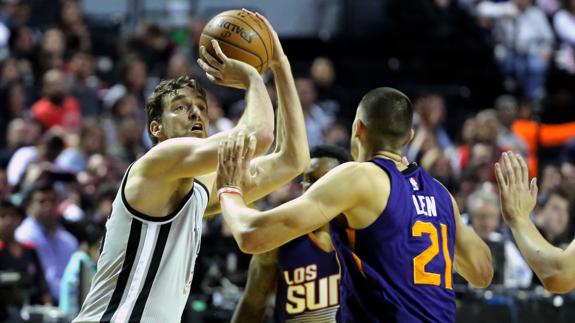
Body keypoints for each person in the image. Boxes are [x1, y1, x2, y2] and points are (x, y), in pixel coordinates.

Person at [74, 10, 308, 323]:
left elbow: (293, 159)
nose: (196, 114)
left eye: (201, 107)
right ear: (156, 128)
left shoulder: (200, 191)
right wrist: (253, 77)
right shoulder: (154, 164)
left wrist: (280, 65)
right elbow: (260, 136)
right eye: (181, 108)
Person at [217, 86, 493, 322]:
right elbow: (482, 273)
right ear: (409, 137)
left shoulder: (359, 176)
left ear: (357, 128)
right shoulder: (440, 193)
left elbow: (252, 235)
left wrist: (229, 190)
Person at [231, 145, 351, 323]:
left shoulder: (362, 237)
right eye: (311, 180)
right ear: (302, 185)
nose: (317, 189)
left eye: (326, 181)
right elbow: (252, 306)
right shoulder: (279, 239)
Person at [495, 151, 575, 293]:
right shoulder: (509, 242)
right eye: (556, 209)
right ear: (539, 210)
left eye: (565, 211)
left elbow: (558, 275)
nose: (562, 216)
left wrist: (519, 218)